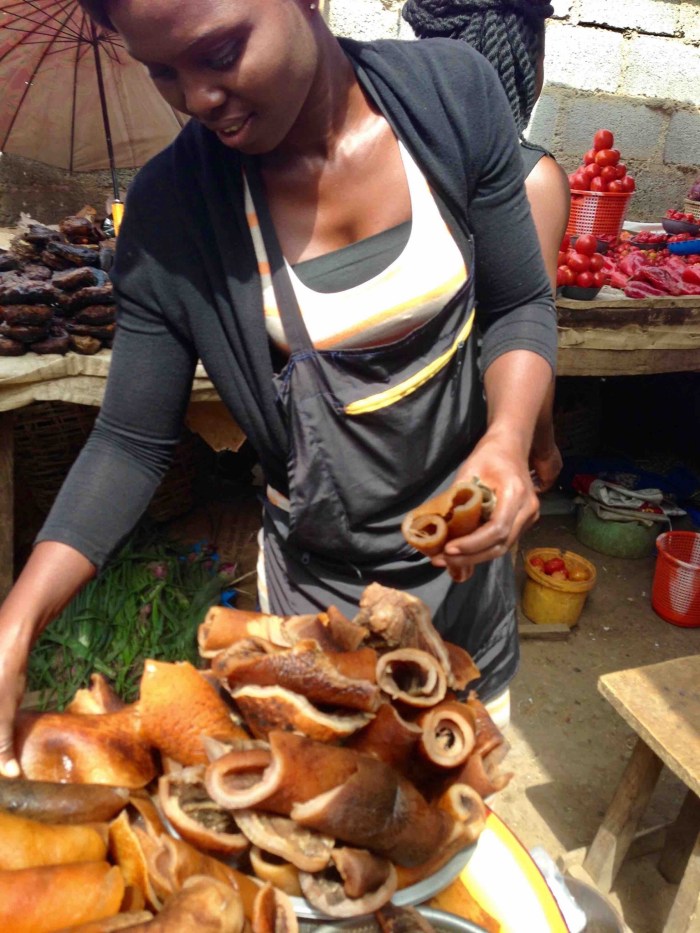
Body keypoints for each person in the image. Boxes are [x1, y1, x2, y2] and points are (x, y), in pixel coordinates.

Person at [0, 0, 558, 777]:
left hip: (464, 591)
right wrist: (18, 622)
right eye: (163, 71)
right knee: (325, 825)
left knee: (453, 826)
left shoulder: (451, 99)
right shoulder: (172, 214)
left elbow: (517, 304)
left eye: (223, 52)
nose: (197, 99)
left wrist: (507, 436)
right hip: (315, 611)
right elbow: (130, 442)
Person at [403, 0, 571, 496]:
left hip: (366, 430)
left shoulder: (378, 149)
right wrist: (541, 443)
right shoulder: (530, 179)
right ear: (527, 59)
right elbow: (525, 328)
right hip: (470, 441)